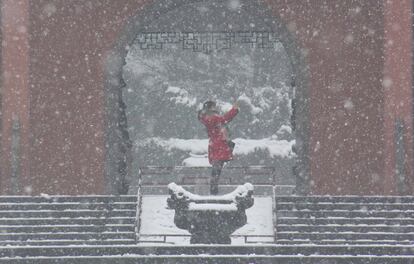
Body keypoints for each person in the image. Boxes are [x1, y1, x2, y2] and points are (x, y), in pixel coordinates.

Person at [198, 100, 239, 195]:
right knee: (216, 171)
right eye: (214, 106)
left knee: (216, 171)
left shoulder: (207, 117)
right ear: (210, 107)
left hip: (216, 146)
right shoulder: (213, 117)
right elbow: (225, 118)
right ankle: (213, 192)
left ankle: (213, 191)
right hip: (218, 147)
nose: (216, 108)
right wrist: (234, 109)